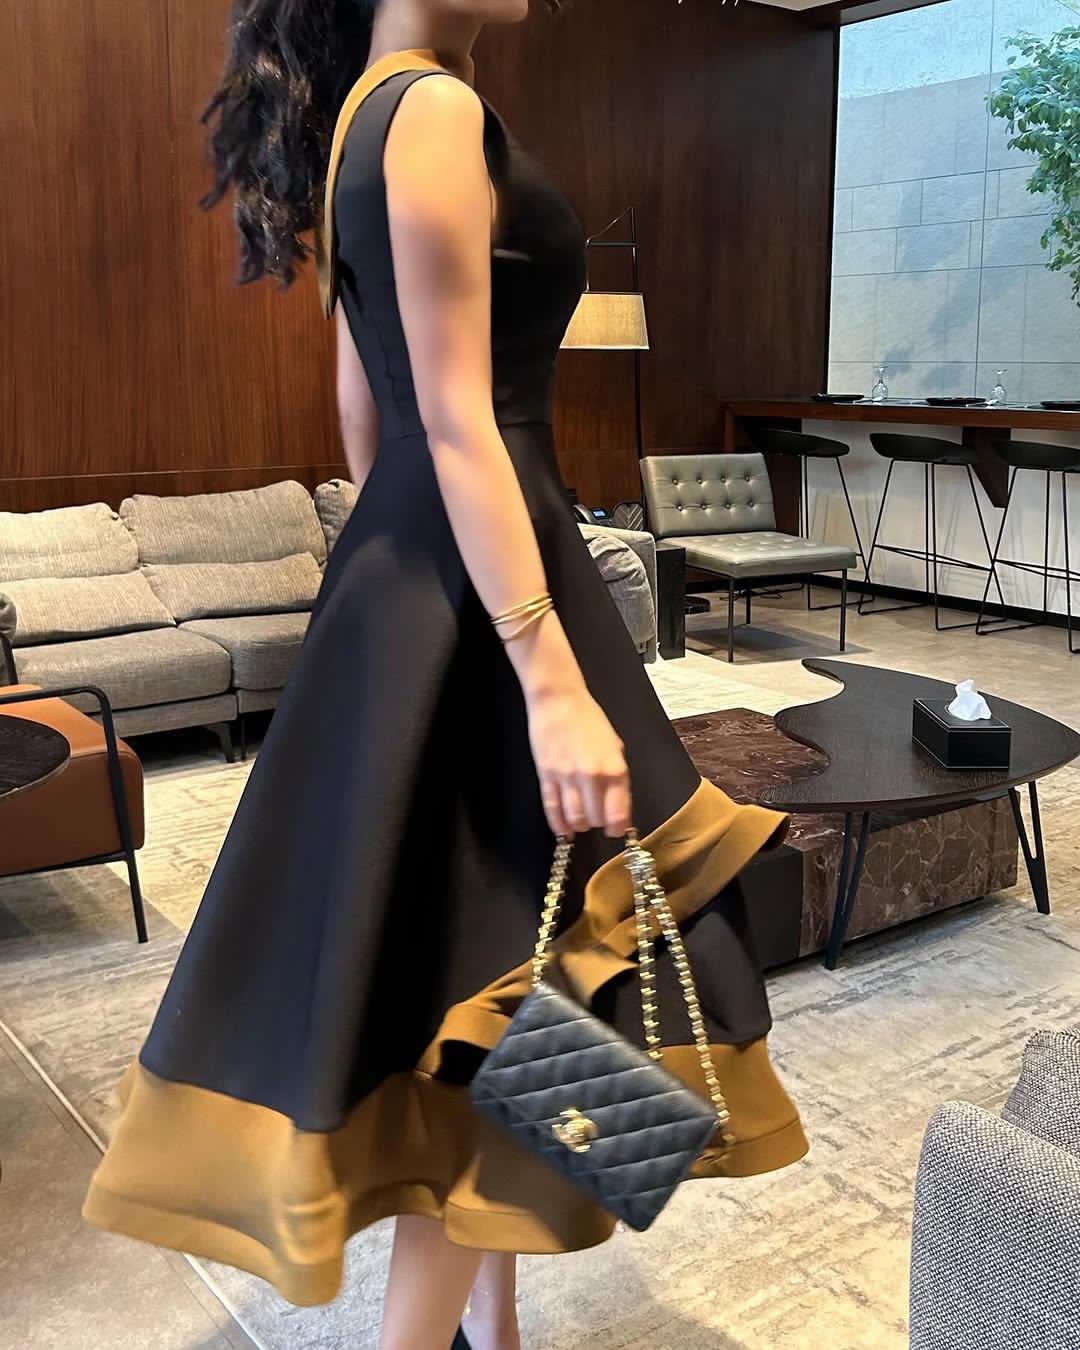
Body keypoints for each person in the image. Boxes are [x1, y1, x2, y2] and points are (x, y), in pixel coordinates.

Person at [83, 3, 808, 1347]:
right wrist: (540, 668)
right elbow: (458, 415)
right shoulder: (430, 111)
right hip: (496, 588)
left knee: (486, 969)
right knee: (537, 984)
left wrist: (417, 611)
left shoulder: (364, 115)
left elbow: (367, 421)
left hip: (434, 583)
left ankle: (495, 1328)